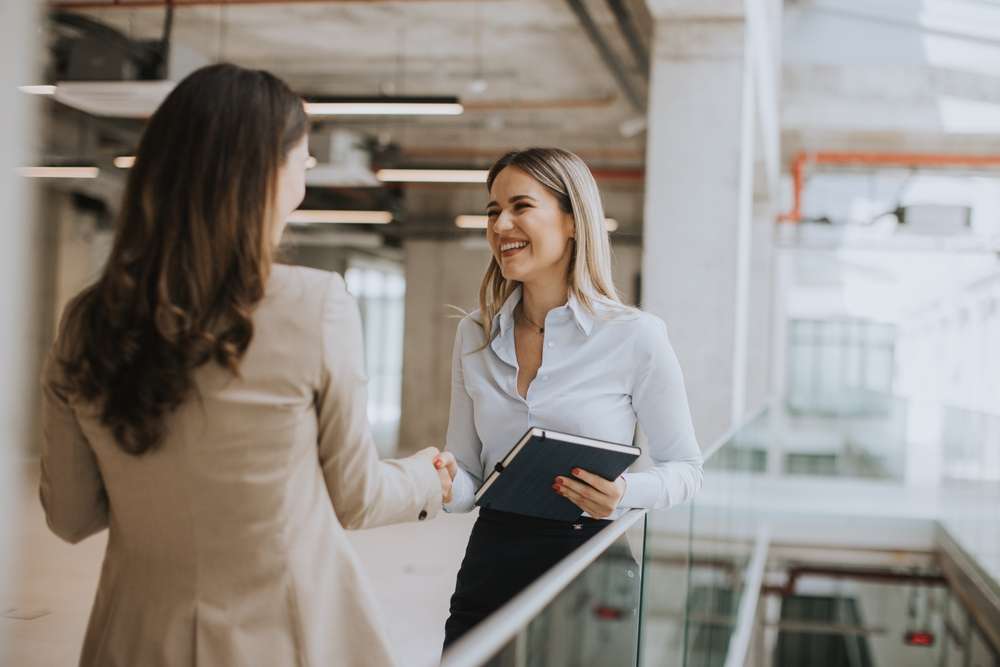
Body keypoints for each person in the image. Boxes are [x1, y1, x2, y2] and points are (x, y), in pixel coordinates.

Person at [39, 63, 450, 667]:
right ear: (268, 176)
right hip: (285, 641)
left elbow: (71, 516)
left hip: (134, 641)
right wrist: (424, 477)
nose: (303, 185)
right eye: (302, 165)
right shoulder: (316, 304)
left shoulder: (86, 320)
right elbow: (355, 497)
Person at [435, 147, 704, 648]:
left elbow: (687, 468)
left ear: (572, 220)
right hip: (492, 561)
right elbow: (469, 476)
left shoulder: (635, 336)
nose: (500, 225)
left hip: (589, 566)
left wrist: (625, 496)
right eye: (493, 211)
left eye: (520, 206)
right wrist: (444, 483)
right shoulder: (474, 334)